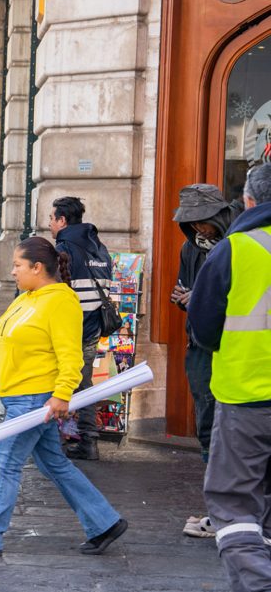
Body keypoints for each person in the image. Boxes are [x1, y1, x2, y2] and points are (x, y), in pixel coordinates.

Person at [0, 236, 127, 558]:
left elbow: (71, 357)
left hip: (34, 398)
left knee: (5, 462)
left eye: (17, 265)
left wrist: (62, 395)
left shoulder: (61, 302)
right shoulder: (27, 298)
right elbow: (1, 343)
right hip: (19, 396)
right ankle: (104, 522)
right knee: (54, 463)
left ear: (37, 267)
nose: (13, 271)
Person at [188, 164, 271, 592]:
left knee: (233, 508)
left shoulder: (237, 249)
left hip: (247, 399)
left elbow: (202, 329)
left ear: (251, 201)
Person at [170, 184, 242, 538]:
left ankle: (230, 512)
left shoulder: (239, 246)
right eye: (192, 223)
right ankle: (218, 508)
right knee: (207, 425)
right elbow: (184, 287)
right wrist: (186, 298)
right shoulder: (190, 249)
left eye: (203, 222)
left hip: (234, 347)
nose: (199, 229)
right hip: (200, 346)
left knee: (235, 432)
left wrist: (200, 297)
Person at [49, 196, 111, 461]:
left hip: (70, 326)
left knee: (57, 381)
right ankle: (88, 440)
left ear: (62, 220)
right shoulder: (99, 248)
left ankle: (57, 440)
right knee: (83, 383)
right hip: (94, 324)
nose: (50, 224)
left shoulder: (64, 247)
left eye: (51, 219)